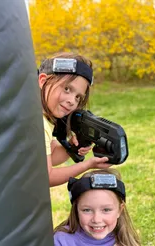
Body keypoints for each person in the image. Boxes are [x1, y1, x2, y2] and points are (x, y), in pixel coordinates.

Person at [38, 52, 111, 187]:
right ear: (43, 81)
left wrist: (71, 148)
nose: (72, 101)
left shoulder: (43, 119)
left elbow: (50, 155)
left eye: (78, 97)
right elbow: (45, 177)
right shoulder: (38, 125)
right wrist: (88, 165)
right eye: (67, 89)